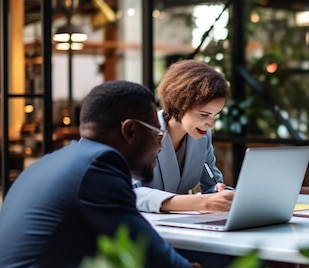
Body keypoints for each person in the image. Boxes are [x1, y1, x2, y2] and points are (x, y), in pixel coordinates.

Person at [0, 81, 192, 267]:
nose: (160, 146)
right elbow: (152, 253)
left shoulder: (50, 163)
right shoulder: (98, 167)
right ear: (130, 130)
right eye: (157, 135)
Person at [134, 60, 234, 213]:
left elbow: (212, 186)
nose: (211, 124)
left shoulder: (203, 137)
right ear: (180, 104)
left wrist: (225, 195)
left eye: (215, 115)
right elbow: (130, 193)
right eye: (204, 115)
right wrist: (199, 203)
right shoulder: (141, 134)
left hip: (180, 225)